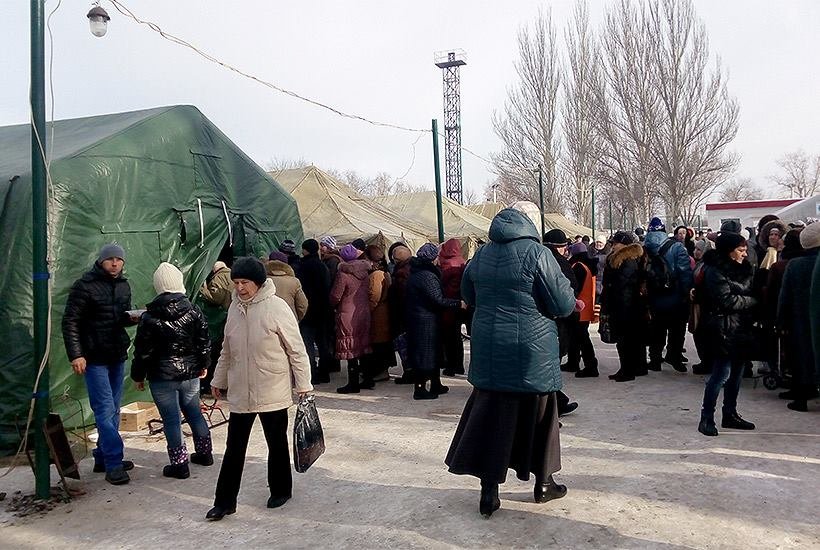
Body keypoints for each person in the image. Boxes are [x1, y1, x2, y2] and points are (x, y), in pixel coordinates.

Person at [445, 208, 575, 518]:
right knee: (541, 417)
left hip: (490, 346)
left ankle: (489, 491)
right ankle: (544, 483)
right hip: (532, 348)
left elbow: (468, 295)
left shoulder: (482, 254)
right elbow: (563, 304)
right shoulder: (538, 253)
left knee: (492, 417)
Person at [206, 257, 313, 520]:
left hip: (271, 388)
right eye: (236, 282)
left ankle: (281, 490)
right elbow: (227, 349)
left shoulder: (276, 307)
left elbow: (296, 350)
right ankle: (224, 502)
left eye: (245, 282)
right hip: (241, 390)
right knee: (234, 447)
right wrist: (218, 380)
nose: (240, 288)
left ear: (259, 282)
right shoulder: (234, 308)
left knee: (276, 444)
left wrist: (304, 385)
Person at [62, 243, 137, 485]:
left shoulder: (124, 285)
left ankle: (103, 457)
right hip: (93, 357)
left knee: (114, 408)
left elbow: (119, 318)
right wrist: (76, 354)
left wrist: (134, 317)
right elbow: (70, 321)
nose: (115, 263)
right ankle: (114, 464)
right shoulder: (85, 286)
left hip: (116, 354)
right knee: (104, 409)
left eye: (119, 259)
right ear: (101, 261)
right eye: (110, 259)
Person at [131, 263, 212, 479]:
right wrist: (203, 365)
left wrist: (138, 376)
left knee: (171, 420)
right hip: (190, 373)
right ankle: (205, 454)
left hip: (161, 376)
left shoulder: (148, 318)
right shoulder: (194, 311)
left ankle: (179, 464)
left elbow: (142, 352)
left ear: (157, 286)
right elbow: (204, 342)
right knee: (194, 412)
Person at [697, 233, 757, 437]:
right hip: (722, 328)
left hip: (741, 327)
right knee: (721, 374)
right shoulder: (715, 270)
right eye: (740, 250)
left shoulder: (745, 268)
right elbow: (726, 300)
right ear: (728, 251)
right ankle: (706, 417)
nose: (744, 254)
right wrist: (753, 300)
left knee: (737, 374)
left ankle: (730, 413)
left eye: (745, 250)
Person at [404, 243, 463, 400]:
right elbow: (437, 300)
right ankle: (420, 389)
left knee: (432, 353)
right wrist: (458, 304)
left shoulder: (418, 272)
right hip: (425, 321)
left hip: (422, 319)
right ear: (432, 258)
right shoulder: (427, 276)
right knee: (425, 354)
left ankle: (436, 384)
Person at [777, 223, 820, 411]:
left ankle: (801, 397)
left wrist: (780, 321)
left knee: (802, 357)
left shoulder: (795, 265)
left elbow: (784, 295)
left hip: (799, 319)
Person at [644, 216, 693, 372]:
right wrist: (687, 293)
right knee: (677, 329)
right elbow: (685, 272)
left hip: (655, 296)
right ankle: (674, 356)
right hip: (675, 295)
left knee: (657, 328)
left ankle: (655, 359)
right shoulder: (677, 247)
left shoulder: (644, 247)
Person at [600, 231, 649, 381]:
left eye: (616, 243)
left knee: (625, 341)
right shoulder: (623, 259)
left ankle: (627, 371)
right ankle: (634, 368)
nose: (613, 246)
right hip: (626, 306)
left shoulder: (627, 260)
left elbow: (620, 284)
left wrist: (609, 296)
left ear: (624, 245)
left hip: (625, 307)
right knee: (630, 340)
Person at [330, 244, 373, 393]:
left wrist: (332, 304)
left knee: (350, 347)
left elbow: (336, 296)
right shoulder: (366, 272)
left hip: (347, 312)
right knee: (363, 343)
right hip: (364, 311)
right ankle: (368, 378)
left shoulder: (343, 274)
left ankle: (353, 383)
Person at [296, 240, 332, 384]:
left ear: (305, 250)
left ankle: (311, 374)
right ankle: (325, 372)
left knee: (308, 344)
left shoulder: (302, 267)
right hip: (323, 310)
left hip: (308, 311)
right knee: (323, 344)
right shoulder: (323, 266)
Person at [198, 260, 233, 395]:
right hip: (232, 317)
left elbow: (215, 297)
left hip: (221, 320)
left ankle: (214, 385)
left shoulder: (219, 278)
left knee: (218, 353)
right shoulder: (232, 275)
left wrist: (203, 289)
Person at [361, 245, 394, 384]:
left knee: (379, 345)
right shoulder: (383, 272)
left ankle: (380, 371)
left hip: (378, 314)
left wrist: (367, 311)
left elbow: (374, 296)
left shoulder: (376, 275)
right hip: (382, 312)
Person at [568, 242, 599, 377]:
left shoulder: (578, 266)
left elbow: (574, 288)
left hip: (579, 308)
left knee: (582, 338)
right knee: (578, 337)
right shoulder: (588, 266)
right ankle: (573, 362)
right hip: (586, 307)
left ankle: (591, 366)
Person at [439, 238, 467, 377]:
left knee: (449, 337)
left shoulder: (447, 264)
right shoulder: (461, 262)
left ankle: (451, 366)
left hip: (448, 304)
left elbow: (441, 282)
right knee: (457, 337)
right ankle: (459, 365)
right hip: (460, 303)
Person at [388, 243, 415, 384]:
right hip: (413, 314)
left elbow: (400, 297)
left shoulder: (401, 274)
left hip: (403, 315)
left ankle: (409, 373)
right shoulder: (414, 268)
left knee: (404, 345)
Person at [690, 239, 715, 375]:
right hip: (698, 303)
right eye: (695, 249)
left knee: (701, 333)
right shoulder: (701, 264)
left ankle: (707, 362)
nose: (696, 252)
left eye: (699, 249)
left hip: (703, 305)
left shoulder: (707, 266)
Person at [319, 236, 342, 374]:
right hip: (330, 302)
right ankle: (333, 362)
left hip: (330, 303)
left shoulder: (332, 261)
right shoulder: (329, 260)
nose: (321, 248)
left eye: (323, 245)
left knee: (330, 335)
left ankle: (332, 362)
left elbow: (331, 281)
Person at [265, 251, 308, 322]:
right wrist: (296, 319)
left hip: (267, 320)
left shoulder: (262, 280)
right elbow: (302, 305)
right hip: (289, 320)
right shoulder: (294, 281)